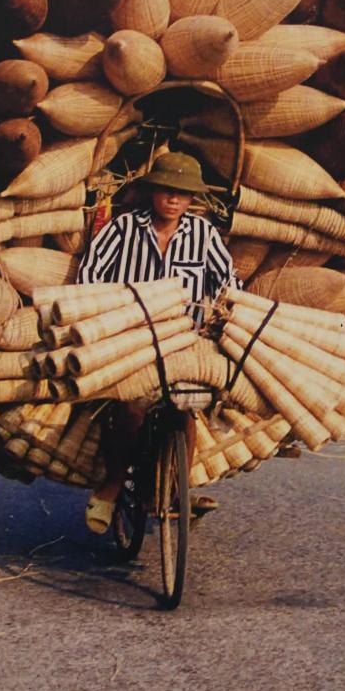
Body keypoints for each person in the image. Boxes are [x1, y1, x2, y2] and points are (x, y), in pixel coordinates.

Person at [76, 151, 239, 534]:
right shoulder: (122, 229)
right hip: (131, 341)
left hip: (186, 342)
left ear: (192, 198)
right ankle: (113, 482)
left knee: (186, 410)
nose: (174, 199)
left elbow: (228, 283)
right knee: (131, 408)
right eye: (167, 190)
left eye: (182, 193)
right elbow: (89, 276)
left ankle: (177, 489)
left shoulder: (203, 234)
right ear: (152, 191)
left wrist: (227, 316)